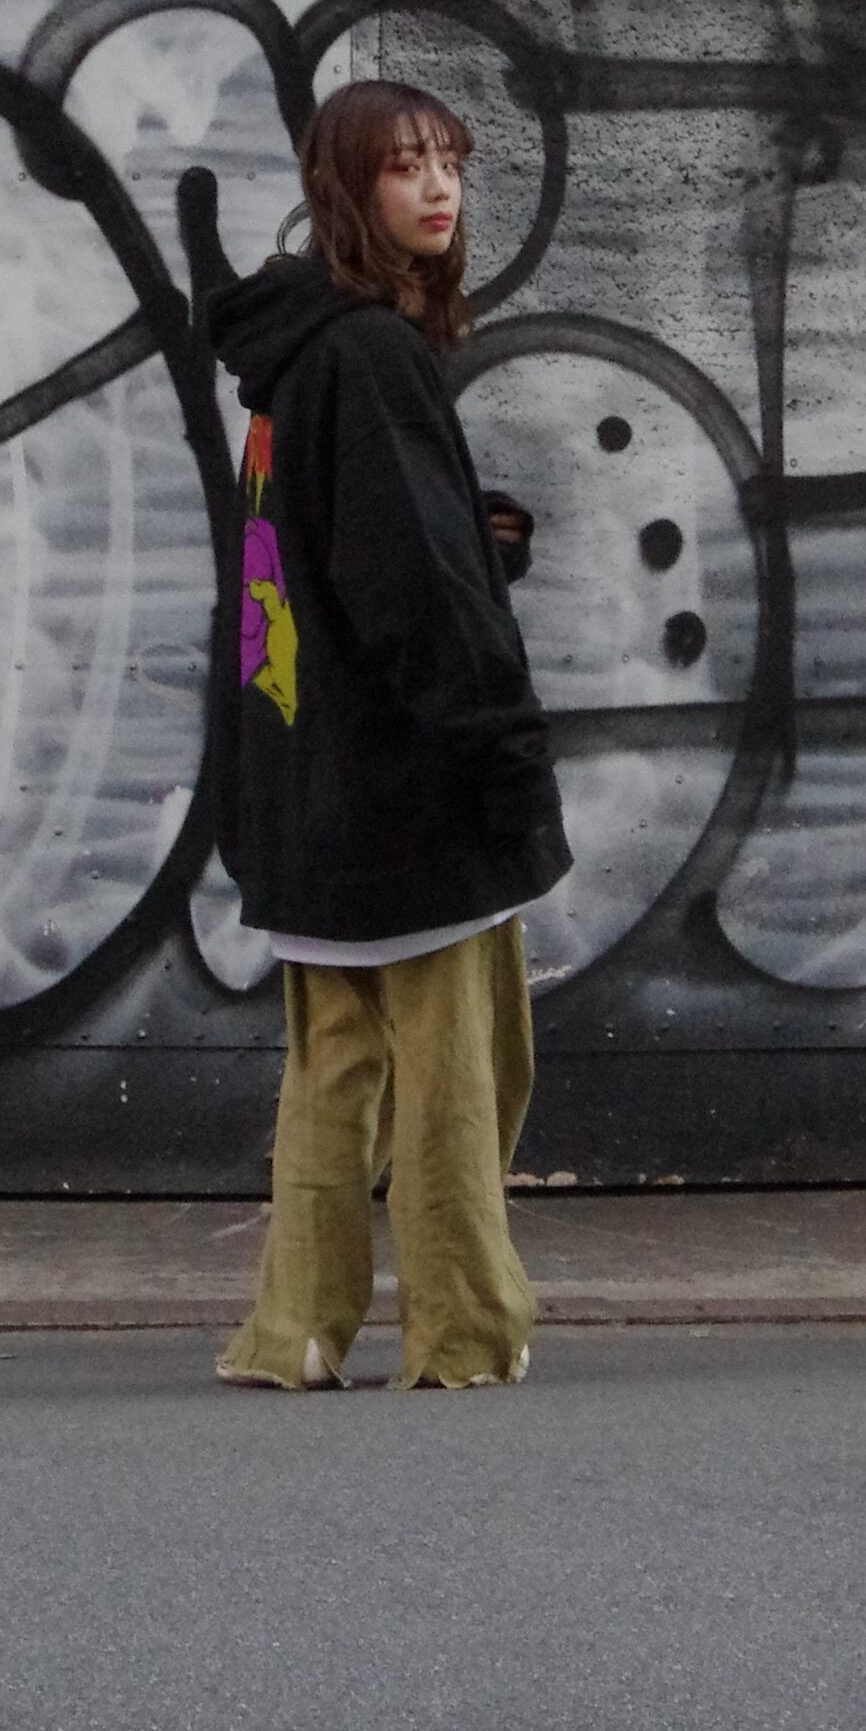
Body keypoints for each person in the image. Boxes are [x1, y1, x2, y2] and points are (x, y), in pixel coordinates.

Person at [201, 76, 572, 1391]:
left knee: (331, 1075)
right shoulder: (371, 358)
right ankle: (465, 1331)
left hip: (309, 782)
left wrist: (474, 536)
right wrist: (507, 759)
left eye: (448, 162)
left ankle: (292, 1333)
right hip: (410, 793)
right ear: (345, 193)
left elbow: (302, 570)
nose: (438, 187)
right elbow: (414, 594)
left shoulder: (292, 360)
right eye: (404, 166)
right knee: (460, 1078)